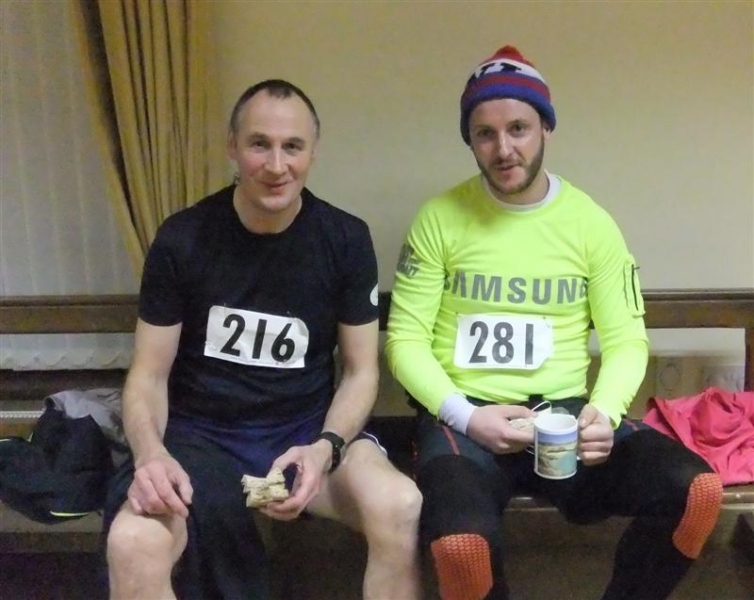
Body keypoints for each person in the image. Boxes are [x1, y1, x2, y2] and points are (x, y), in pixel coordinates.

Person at [385, 45, 723, 600]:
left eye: (518, 128)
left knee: (697, 492)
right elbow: (405, 341)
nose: (503, 149)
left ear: (545, 127)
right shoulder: (438, 219)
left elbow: (625, 340)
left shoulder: (591, 224)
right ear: (469, 140)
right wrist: (467, 417)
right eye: (485, 134)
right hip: (465, 420)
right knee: (461, 547)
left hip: (563, 420)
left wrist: (604, 413)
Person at [105, 79, 422, 600]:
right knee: (132, 543)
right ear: (232, 147)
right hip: (200, 441)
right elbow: (148, 376)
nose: (277, 165)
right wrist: (150, 455)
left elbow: (361, 371)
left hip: (304, 436)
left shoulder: (344, 239)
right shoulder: (183, 238)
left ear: (313, 153)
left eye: (292, 146)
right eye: (259, 144)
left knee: (400, 504)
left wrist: (325, 447)